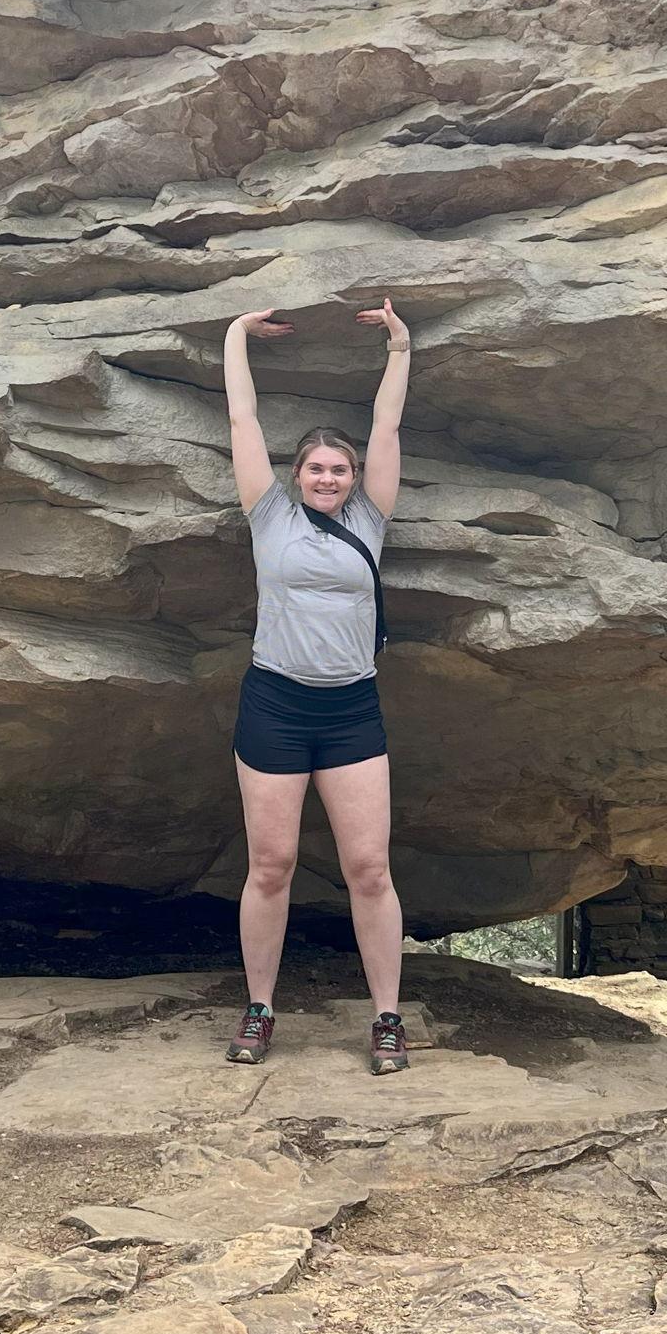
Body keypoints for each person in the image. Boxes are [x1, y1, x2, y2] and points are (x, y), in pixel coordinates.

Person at [219, 296, 412, 1075]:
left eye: (340, 469)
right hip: (275, 704)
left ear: (353, 480)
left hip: (351, 711)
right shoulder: (268, 514)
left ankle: (388, 1019)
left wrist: (400, 348)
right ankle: (260, 1009)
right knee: (271, 866)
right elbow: (242, 423)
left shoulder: (370, 519)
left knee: (370, 868)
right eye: (316, 469)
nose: (328, 477)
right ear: (296, 476)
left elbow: (388, 428)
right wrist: (234, 336)